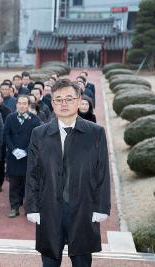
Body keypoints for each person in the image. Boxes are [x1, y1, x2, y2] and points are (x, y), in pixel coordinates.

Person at [25, 79, 111, 267]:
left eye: (69, 98)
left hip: (83, 208)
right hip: (49, 208)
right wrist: (32, 206)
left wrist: (101, 207)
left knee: (81, 261)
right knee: (49, 262)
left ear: (79, 100)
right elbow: (33, 173)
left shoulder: (95, 133)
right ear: (52, 103)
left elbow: (102, 172)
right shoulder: (39, 133)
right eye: (58, 99)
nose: (64, 103)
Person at [3, 95, 41, 218]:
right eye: (19, 103)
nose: (22, 106)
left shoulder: (35, 120)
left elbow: (36, 139)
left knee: (27, 183)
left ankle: (27, 207)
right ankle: (14, 207)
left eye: (24, 103)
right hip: (13, 156)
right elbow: (6, 134)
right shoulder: (10, 118)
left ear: (28, 105)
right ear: (16, 104)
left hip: (28, 156)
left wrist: (25, 151)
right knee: (13, 183)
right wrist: (13, 149)